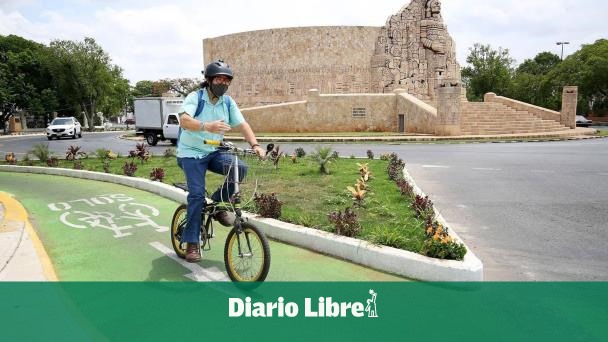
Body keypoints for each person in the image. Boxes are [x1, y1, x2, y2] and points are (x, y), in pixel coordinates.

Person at [177, 60, 266, 262]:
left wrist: (255, 145)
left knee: (239, 168)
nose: (222, 83)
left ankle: (216, 205)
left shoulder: (227, 102)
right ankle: (191, 242)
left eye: (226, 80)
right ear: (209, 80)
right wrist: (206, 126)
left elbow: (242, 124)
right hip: (190, 153)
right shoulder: (195, 97)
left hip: (213, 151)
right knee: (197, 195)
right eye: (218, 78)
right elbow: (183, 120)